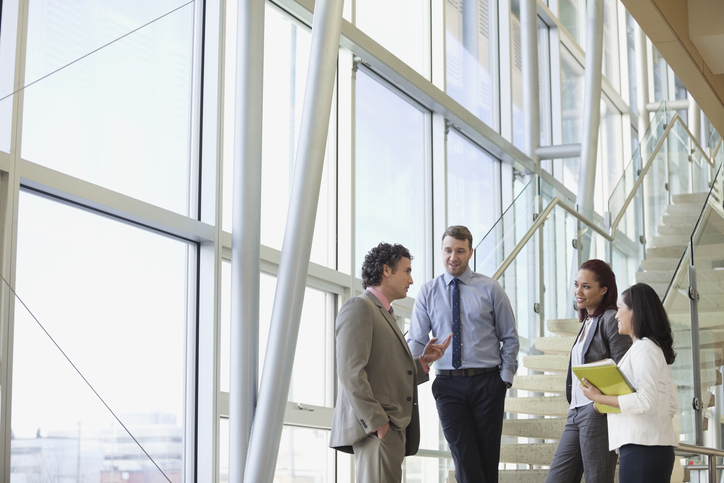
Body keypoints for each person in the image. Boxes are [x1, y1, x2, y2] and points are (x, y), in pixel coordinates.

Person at [330, 242, 452, 483]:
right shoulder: (359, 307)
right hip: (379, 430)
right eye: (407, 271)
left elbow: (390, 374)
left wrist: (424, 361)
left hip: (392, 429)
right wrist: (378, 424)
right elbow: (350, 373)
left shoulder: (384, 314)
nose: (411, 280)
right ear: (386, 270)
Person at [407, 225, 519, 483]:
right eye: (448, 250)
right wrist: (409, 374)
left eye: (459, 251)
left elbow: (510, 337)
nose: (452, 257)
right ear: (442, 251)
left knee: (487, 458)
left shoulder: (491, 289)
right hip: (448, 384)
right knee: (463, 454)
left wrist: (505, 379)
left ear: (470, 252)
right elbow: (416, 340)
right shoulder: (428, 291)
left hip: (488, 382)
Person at [581, 283, 678, 483]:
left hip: (643, 449)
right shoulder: (648, 348)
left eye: (620, 309)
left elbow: (645, 400)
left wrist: (601, 397)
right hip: (648, 447)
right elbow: (669, 404)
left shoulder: (644, 348)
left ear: (636, 312)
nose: (616, 315)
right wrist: (605, 404)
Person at [545, 259, 632, 483]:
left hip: (596, 412)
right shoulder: (587, 322)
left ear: (604, 289)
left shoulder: (610, 320)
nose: (578, 292)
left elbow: (626, 368)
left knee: (598, 479)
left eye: (586, 286)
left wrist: (599, 404)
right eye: (576, 285)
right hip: (575, 413)